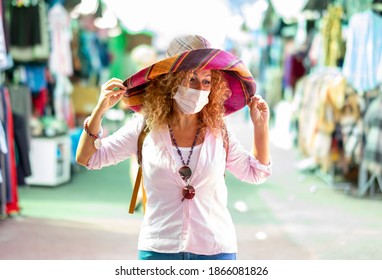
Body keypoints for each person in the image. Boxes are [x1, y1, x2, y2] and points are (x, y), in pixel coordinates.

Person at [76, 34, 272, 260]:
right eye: (191, 79)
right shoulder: (145, 128)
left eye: (206, 81)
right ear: (170, 82)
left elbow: (256, 173)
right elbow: (88, 158)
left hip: (215, 249)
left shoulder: (219, 132)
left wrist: (261, 127)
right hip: (159, 250)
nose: (199, 88)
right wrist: (99, 111)